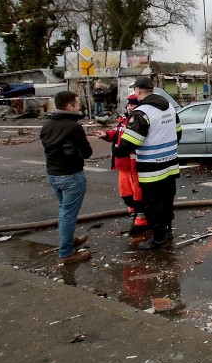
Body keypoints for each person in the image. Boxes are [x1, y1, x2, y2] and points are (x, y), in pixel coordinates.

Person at [115, 76, 182, 250]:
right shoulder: (168, 108)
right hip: (171, 164)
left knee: (152, 205)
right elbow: (178, 133)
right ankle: (167, 232)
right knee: (168, 200)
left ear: (138, 91)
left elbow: (130, 142)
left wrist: (117, 151)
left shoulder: (142, 113)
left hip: (151, 168)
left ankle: (158, 239)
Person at [40, 91, 93, 263]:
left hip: (53, 174)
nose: (79, 108)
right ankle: (67, 252)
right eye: (77, 105)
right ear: (70, 107)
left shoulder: (47, 125)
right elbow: (87, 152)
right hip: (71, 175)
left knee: (64, 210)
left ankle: (68, 241)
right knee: (68, 214)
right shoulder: (74, 127)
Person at [95, 94, 148, 235]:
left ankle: (142, 220)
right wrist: (106, 135)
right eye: (128, 105)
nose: (129, 107)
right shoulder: (124, 121)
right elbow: (116, 134)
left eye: (132, 105)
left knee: (138, 194)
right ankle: (134, 212)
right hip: (123, 165)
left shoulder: (139, 121)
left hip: (134, 165)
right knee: (126, 193)